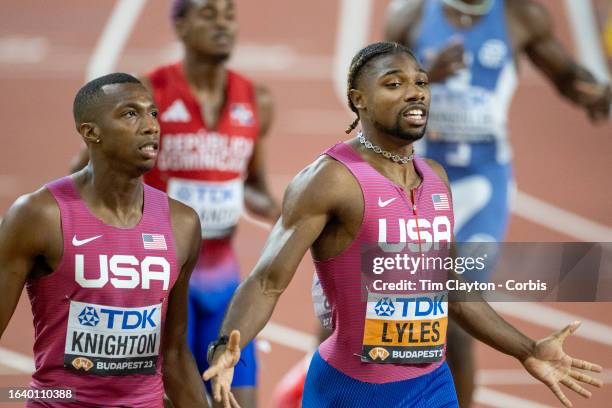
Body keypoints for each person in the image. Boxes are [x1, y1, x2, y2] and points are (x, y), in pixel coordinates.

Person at [203, 42, 603, 408]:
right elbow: (267, 280)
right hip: (350, 390)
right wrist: (227, 344)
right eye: (394, 84)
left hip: (431, 387)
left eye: (421, 83)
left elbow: (453, 290)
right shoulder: (331, 179)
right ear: (358, 101)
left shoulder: (435, 179)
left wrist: (527, 350)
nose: (415, 93)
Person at [384, 0, 611, 405]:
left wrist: (593, 94)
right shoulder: (412, 15)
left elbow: (565, 76)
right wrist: (423, 78)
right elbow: (370, 97)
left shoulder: (522, 16)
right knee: (393, 307)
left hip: (484, 187)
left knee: (456, 313)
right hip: (418, 182)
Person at [71, 1, 279, 406]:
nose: (222, 24)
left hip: (222, 283)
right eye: (208, 14)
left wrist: (279, 210)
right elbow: (87, 169)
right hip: (155, 278)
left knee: (240, 400)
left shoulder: (256, 100)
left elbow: (252, 185)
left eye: (229, 15)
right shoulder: (147, 94)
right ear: (180, 27)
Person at [0, 73, 209, 407]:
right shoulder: (39, 216)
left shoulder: (182, 223)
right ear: (90, 131)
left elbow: (174, 353)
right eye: (130, 114)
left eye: (153, 113)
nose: (151, 126)